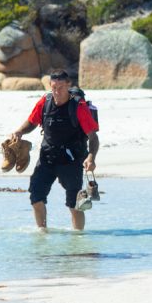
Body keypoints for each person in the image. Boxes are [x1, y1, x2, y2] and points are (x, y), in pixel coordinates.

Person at [11, 70, 99, 230]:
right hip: (47, 158)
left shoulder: (78, 107)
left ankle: (78, 240)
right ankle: (42, 234)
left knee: (75, 205)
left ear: (68, 85)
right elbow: (32, 122)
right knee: (36, 197)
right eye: (53, 88)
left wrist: (91, 157)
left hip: (71, 161)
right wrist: (20, 131)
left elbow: (93, 137)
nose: (57, 92)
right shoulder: (46, 101)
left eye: (60, 87)